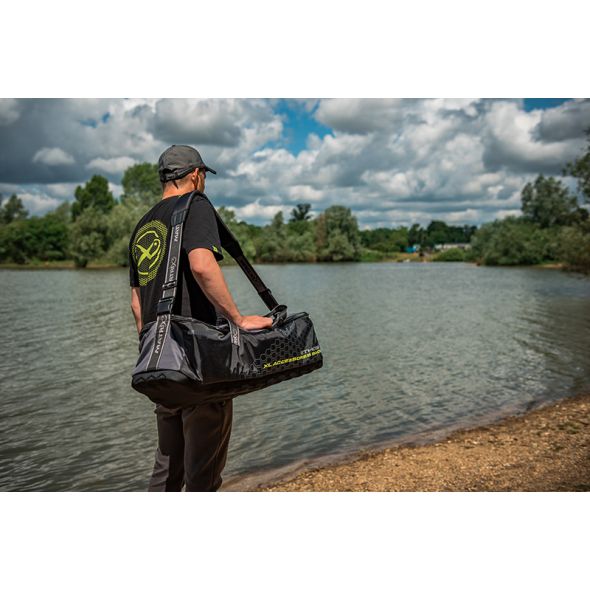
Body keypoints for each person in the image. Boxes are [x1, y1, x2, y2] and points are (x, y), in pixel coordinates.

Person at [128, 144, 272, 491]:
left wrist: (154, 350)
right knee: (202, 480)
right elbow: (202, 265)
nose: (204, 181)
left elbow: (137, 302)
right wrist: (238, 319)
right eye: (204, 175)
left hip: (161, 366)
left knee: (166, 473)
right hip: (198, 362)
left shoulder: (144, 225)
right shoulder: (195, 204)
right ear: (195, 174)